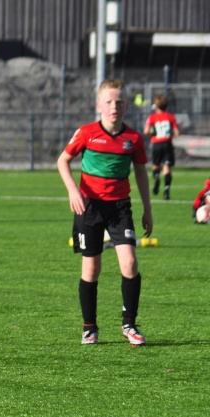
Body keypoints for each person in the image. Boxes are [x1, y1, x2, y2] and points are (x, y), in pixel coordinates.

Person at [56, 79, 152, 347]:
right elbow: (62, 160)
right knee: (92, 267)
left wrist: (148, 209)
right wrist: (73, 191)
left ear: (126, 106)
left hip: (120, 208)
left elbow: (142, 173)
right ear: (99, 105)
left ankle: (129, 325)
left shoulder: (133, 138)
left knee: (130, 264)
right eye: (109, 102)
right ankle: (89, 328)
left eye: (119, 102)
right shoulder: (87, 133)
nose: (114, 107)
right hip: (89, 207)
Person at [144, 95, 180, 200]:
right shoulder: (170, 117)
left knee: (156, 165)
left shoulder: (152, 117)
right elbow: (177, 132)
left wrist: (153, 134)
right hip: (167, 143)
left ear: (156, 106)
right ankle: (166, 190)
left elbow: (146, 131)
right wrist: (170, 136)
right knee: (166, 167)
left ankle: (156, 178)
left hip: (157, 144)